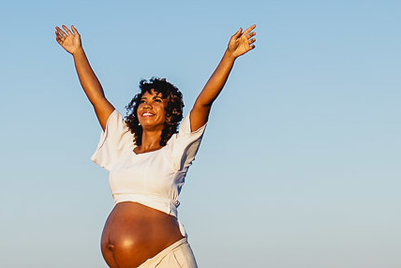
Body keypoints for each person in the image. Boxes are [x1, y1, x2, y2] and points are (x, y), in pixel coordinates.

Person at [54, 23, 257, 268]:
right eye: (143, 100)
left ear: (170, 112)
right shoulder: (124, 142)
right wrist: (78, 53)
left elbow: (203, 103)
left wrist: (229, 56)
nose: (147, 105)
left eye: (157, 100)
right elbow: (97, 98)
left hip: (166, 260)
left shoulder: (177, 148)